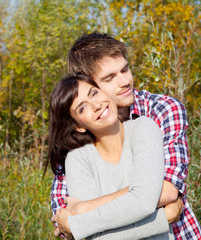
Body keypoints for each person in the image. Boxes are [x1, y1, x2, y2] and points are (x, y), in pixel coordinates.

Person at [50, 32, 201, 239]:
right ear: (87, 83)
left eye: (125, 69)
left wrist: (86, 209)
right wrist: (160, 215)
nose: (125, 81)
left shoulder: (162, 110)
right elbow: (65, 218)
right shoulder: (78, 140)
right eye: (109, 78)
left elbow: (166, 192)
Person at [48, 73, 182, 239]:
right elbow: (96, 238)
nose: (96, 105)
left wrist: (80, 219)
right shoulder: (78, 159)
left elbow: (144, 202)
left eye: (94, 93)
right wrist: (162, 219)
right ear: (78, 126)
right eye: (82, 108)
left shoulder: (144, 128)